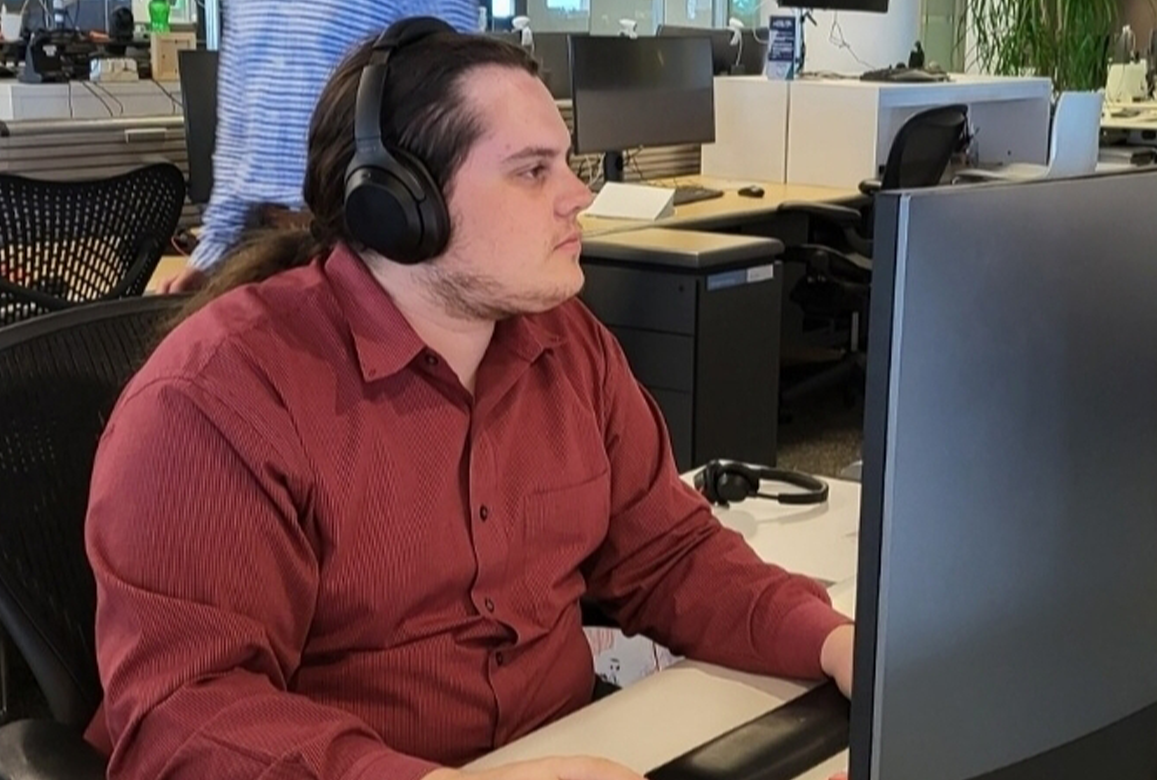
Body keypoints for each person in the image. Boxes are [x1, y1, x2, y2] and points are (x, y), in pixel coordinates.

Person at [86, 18, 856, 780]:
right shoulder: (219, 398)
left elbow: (669, 555)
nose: (578, 196)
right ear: (397, 205)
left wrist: (832, 641)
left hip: (561, 750)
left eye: (568, 163)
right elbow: (185, 718)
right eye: (532, 171)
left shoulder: (568, 346)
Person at [155, 1, 481, 294]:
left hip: (369, 241)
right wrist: (212, 250)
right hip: (262, 241)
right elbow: (237, 127)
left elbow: (455, 103)